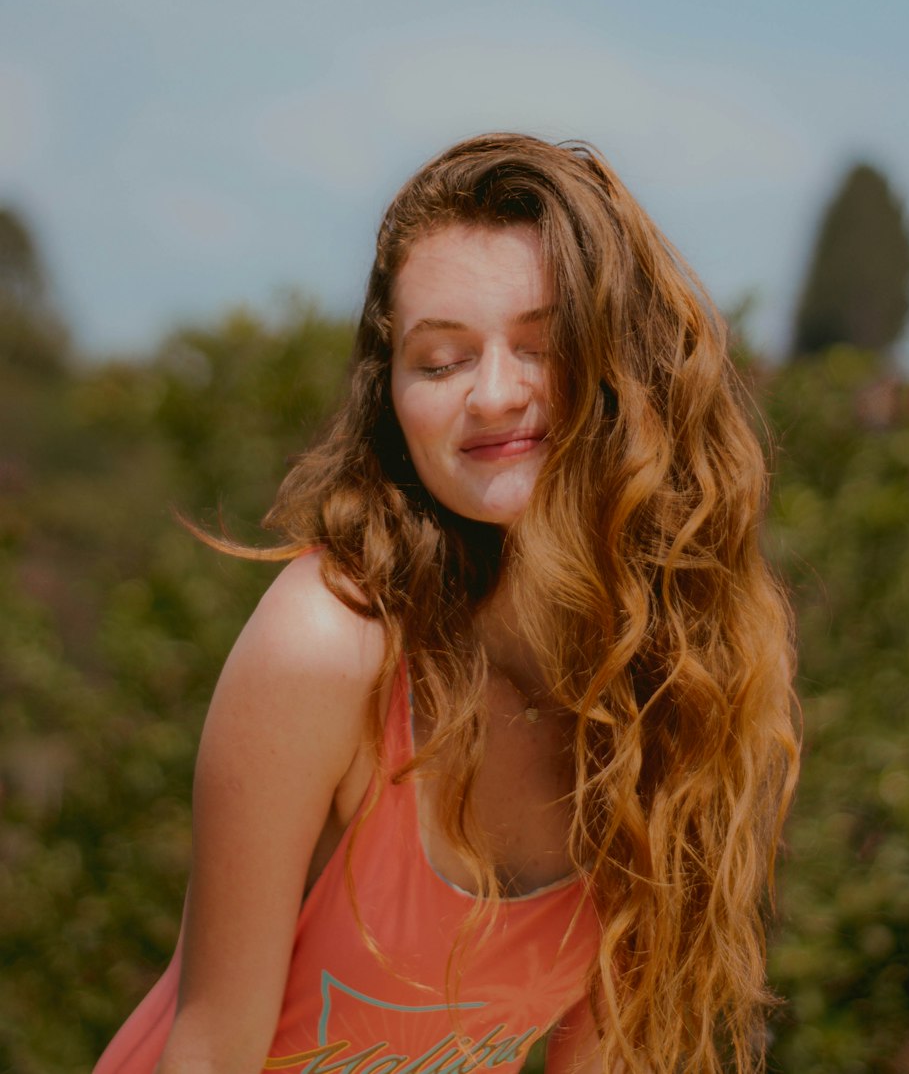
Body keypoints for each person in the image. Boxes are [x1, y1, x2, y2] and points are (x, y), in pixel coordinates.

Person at [94, 133, 799, 1074]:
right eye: (441, 361)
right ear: (394, 399)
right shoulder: (328, 647)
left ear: (626, 370)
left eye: (543, 346)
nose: (495, 395)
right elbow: (212, 1049)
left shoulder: (668, 683)